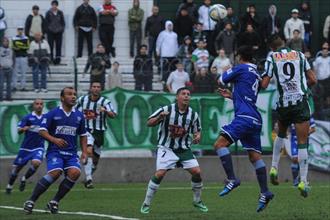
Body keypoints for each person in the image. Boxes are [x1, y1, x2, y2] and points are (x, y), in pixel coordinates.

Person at [214, 46, 273, 212]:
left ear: (239, 57)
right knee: (255, 158)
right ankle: (265, 192)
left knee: (219, 145)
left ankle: (232, 179)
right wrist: (231, 96)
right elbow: (248, 94)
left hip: (244, 118)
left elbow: (221, 79)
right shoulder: (256, 73)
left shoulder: (240, 68)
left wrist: (226, 69)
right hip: (255, 118)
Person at [261, 36, 317, 197]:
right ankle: (303, 181)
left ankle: (274, 167)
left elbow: (264, 84)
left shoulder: (272, 57)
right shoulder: (299, 54)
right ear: (284, 43)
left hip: (283, 104)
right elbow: (313, 79)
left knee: (281, 133)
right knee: (302, 142)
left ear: (272, 48)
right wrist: (304, 87)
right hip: (300, 102)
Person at [140, 87, 208, 214]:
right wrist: (160, 117)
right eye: (183, 94)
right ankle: (146, 203)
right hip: (167, 148)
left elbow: (197, 130)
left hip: (183, 149)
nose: (186, 96)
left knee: (197, 172)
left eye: (188, 94)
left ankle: (197, 201)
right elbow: (149, 122)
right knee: (160, 174)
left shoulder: (193, 114)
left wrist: (198, 136)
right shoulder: (166, 110)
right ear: (177, 97)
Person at [23, 87, 88, 214]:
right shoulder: (52, 114)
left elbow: (83, 135)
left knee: (75, 173)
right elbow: (41, 131)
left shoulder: (79, 116)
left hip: (71, 153)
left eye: (74, 94)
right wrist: (54, 140)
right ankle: (31, 200)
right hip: (55, 151)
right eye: (69, 94)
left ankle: (55, 201)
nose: (73, 96)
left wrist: (85, 152)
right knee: (55, 172)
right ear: (62, 98)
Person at [76, 82, 116, 188]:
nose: (96, 89)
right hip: (86, 130)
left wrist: (106, 111)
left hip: (99, 132)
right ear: (90, 88)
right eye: (94, 87)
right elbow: (73, 108)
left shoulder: (105, 101)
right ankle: (89, 179)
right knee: (89, 151)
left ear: (101, 89)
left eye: (98, 87)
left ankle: (89, 173)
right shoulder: (82, 100)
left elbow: (113, 115)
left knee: (95, 160)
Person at [5, 99, 45, 194]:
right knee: (18, 168)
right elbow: (19, 131)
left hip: (39, 147)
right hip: (26, 148)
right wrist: (24, 128)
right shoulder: (27, 117)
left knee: (36, 163)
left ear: (43, 106)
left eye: (41, 104)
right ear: (33, 105)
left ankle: (24, 178)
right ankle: (10, 185)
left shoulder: (46, 118)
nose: (39, 106)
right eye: (37, 104)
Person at [45, 0, 65, 65]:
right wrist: (48, 30)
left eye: (55, 5)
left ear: (57, 5)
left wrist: (62, 29)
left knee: (58, 46)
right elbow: (46, 22)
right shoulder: (48, 13)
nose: (54, 6)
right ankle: (51, 59)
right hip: (50, 32)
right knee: (50, 46)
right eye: (53, 5)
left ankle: (58, 59)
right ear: (51, 5)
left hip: (59, 32)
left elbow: (63, 22)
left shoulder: (60, 12)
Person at [12, 26, 30, 92]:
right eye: (19, 29)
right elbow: (13, 47)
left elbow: (27, 47)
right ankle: (14, 86)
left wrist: (19, 46)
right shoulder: (14, 38)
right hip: (16, 57)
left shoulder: (26, 38)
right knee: (15, 73)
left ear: (23, 30)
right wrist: (22, 46)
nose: (20, 31)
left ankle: (23, 87)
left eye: (21, 29)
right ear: (17, 30)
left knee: (23, 73)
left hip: (24, 57)